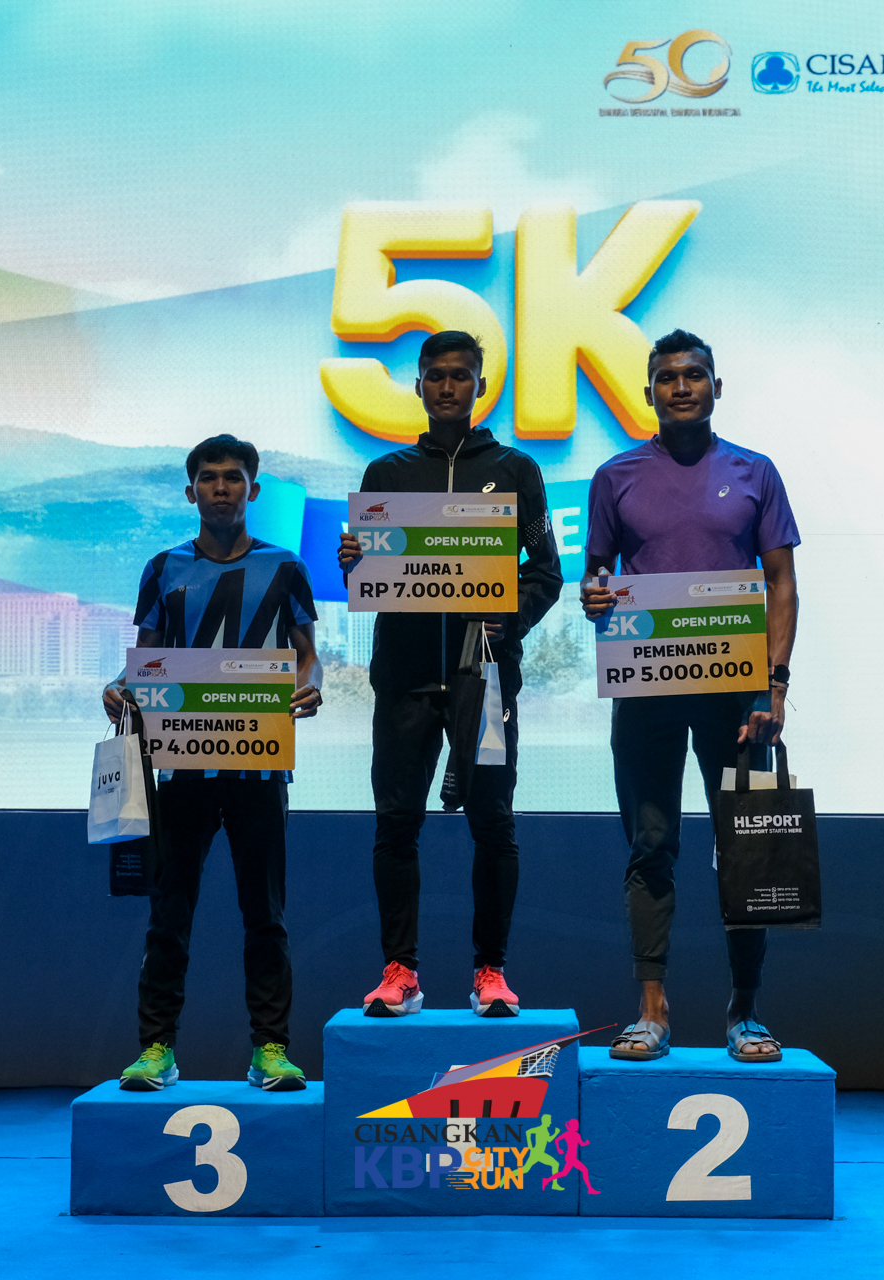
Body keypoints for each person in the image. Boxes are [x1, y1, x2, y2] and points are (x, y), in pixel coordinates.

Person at [580, 330, 799, 1064]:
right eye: (667, 377)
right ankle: (653, 1010)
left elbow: (781, 583)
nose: (681, 387)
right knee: (650, 847)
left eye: (694, 375)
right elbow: (597, 577)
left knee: (749, 849)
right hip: (646, 691)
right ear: (649, 392)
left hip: (740, 700)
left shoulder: (755, 471)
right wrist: (594, 594)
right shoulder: (615, 476)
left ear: (715, 387)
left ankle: (746, 1014)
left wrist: (775, 685)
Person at [338, 330, 562, 1018]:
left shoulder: (517, 470)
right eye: (435, 375)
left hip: (484, 681)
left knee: (493, 824)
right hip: (403, 680)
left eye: (459, 375)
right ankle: (399, 972)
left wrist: (508, 619)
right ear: (418, 386)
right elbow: (369, 574)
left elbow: (546, 574)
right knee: (395, 825)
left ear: (479, 386)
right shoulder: (386, 474)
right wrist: (356, 565)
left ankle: (490, 973)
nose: (446, 386)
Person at [101, 437, 322, 1092]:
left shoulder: (286, 567)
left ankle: (271, 1051)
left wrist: (308, 687)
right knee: (169, 915)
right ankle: (156, 1051)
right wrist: (116, 687)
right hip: (180, 772)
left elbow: (307, 657)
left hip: (260, 770)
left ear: (253, 489)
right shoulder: (163, 568)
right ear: (190, 490)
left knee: (266, 917)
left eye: (232, 477)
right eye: (208, 478)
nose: (220, 487)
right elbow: (144, 661)